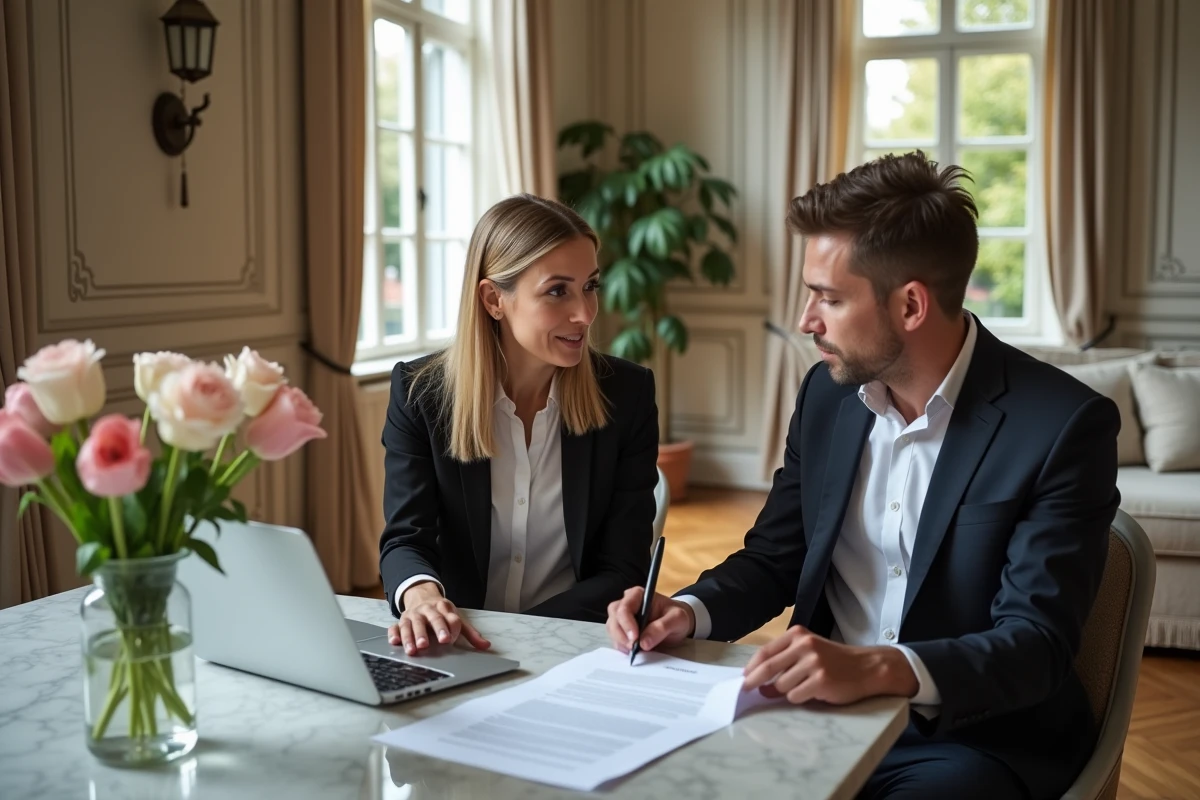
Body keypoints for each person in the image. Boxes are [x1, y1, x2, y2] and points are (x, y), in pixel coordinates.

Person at [604, 152, 1120, 800]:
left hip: (974, 740)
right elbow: (776, 557)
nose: (806, 320)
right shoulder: (827, 394)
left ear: (911, 305)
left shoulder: (1062, 425)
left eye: (829, 297)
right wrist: (686, 611)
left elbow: (1035, 644)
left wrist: (876, 669)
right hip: (814, 717)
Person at [380, 193, 659, 657]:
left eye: (590, 286)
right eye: (558, 291)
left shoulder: (627, 395)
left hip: (574, 645)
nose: (585, 313)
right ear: (494, 299)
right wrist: (421, 595)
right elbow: (406, 538)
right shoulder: (420, 394)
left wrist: (517, 637)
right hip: (458, 646)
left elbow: (623, 568)